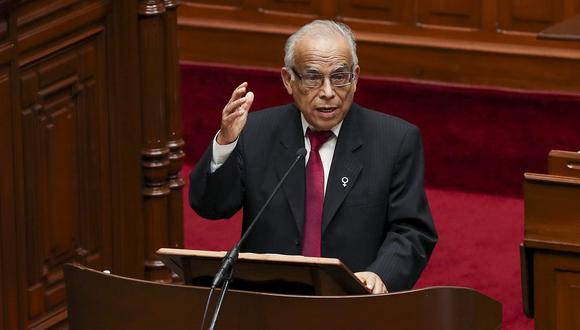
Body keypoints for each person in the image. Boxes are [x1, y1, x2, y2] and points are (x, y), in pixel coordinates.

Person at [189, 20, 437, 293]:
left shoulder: (394, 140)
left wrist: (380, 275)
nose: (328, 92)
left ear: (355, 78)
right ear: (288, 80)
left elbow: (412, 231)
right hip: (268, 302)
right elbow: (211, 206)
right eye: (313, 77)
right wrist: (226, 142)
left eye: (340, 77)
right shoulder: (256, 132)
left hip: (353, 302)